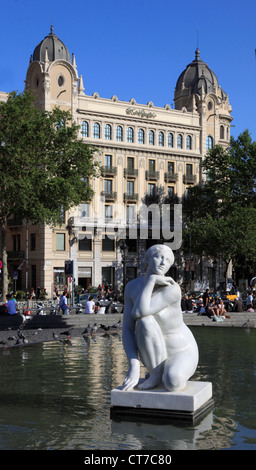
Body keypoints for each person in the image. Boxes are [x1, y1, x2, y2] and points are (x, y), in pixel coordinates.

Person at [121, 244, 199, 392]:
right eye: (159, 257)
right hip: (153, 357)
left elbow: (139, 311)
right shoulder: (131, 287)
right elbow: (127, 328)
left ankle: (164, 373)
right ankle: (156, 374)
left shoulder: (172, 288)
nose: (163, 262)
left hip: (181, 350)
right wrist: (134, 364)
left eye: (168, 260)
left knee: (172, 382)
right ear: (148, 259)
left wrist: (151, 281)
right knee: (145, 322)